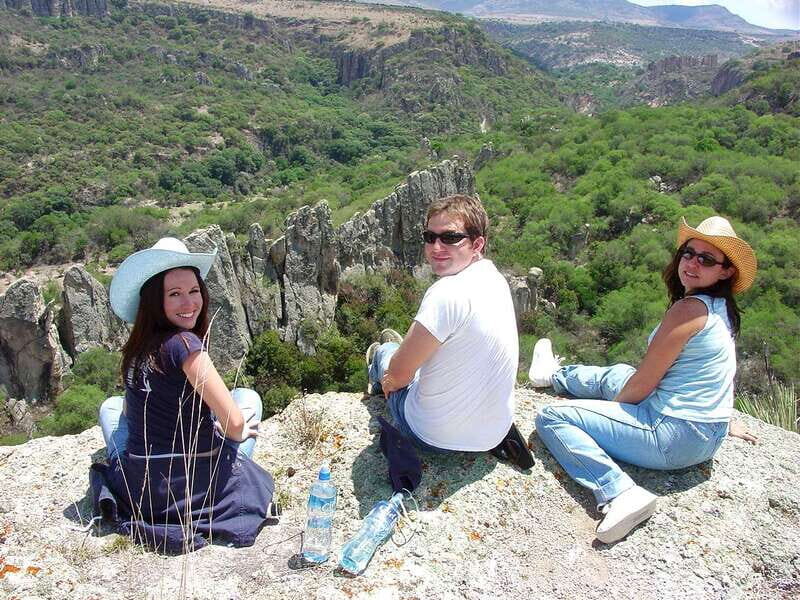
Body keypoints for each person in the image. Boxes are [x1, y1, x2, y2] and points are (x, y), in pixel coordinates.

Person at [531, 216, 757, 544]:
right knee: (622, 372)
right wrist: (723, 419)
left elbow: (641, 388)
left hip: (672, 436)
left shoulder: (688, 310)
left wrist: (610, 415)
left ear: (726, 271)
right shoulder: (720, 307)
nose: (693, 263)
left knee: (551, 417)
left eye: (706, 259)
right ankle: (553, 375)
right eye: (688, 253)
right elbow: (716, 370)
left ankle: (619, 493)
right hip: (707, 432)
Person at [91, 237, 277, 553]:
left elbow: (128, 412)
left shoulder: (138, 348)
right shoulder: (185, 345)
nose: (189, 303)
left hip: (142, 490)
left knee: (110, 407)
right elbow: (232, 424)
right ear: (155, 300)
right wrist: (236, 430)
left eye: (193, 291)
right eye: (174, 294)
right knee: (247, 397)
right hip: (196, 488)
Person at [366, 194, 531, 467]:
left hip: (431, 437)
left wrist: (391, 382)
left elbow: (398, 375)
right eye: (429, 237)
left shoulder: (446, 293)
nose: (436, 246)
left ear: (477, 243)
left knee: (386, 353)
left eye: (450, 238)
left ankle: (374, 376)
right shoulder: (496, 280)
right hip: (493, 435)